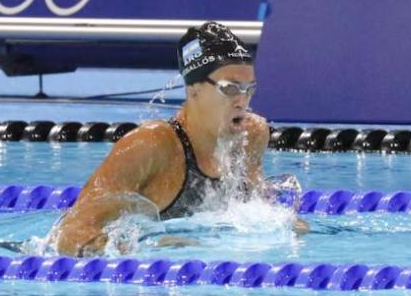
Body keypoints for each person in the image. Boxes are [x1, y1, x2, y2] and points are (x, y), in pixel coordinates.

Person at [56, 21, 296, 257]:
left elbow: (259, 214)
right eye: (230, 89)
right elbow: (70, 232)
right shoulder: (150, 146)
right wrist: (146, 249)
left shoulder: (251, 135)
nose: (242, 101)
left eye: (249, 89)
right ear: (194, 90)